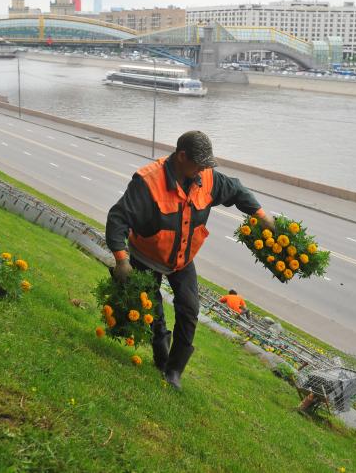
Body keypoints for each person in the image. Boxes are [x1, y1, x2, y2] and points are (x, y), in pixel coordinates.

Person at [105, 131, 274, 390]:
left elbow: (237, 190)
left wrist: (260, 214)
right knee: (154, 312)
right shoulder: (148, 182)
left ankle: (175, 370)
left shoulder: (206, 178)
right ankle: (162, 360)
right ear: (181, 156)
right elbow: (118, 218)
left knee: (189, 309)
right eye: (200, 163)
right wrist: (121, 260)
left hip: (182, 260)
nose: (203, 170)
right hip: (146, 256)